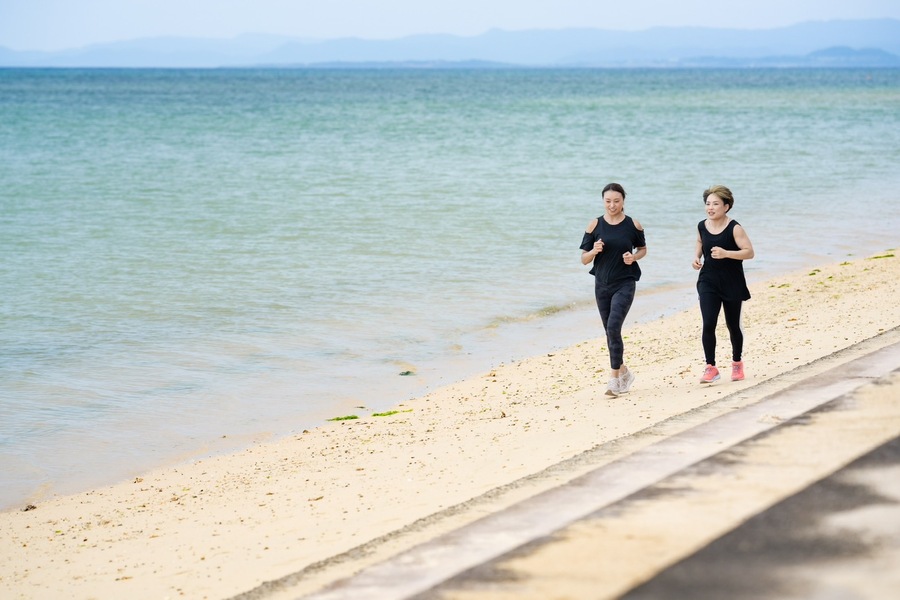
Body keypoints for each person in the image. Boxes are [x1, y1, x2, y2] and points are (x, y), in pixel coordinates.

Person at [580, 182, 647, 397]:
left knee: (614, 327)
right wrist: (594, 250)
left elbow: (643, 249)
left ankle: (614, 380)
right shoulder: (594, 225)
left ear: (623, 201)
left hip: (625, 282)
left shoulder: (633, 225)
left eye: (616, 201)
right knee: (609, 332)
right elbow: (583, 259)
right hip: (601, 284)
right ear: (603, 201)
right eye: (608, 201)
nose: (612, 205)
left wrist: (633, 257)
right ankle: (624, 372)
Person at [692, 184, 755, 383]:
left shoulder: (735, 228)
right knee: (708, 323)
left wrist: (727, 253)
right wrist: (696, 257)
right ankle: (710, 367)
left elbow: (749, 252)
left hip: (732, 282)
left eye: (715, 204)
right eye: (708, 204)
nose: (710, 208)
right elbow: (701, 242)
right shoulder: (702, 225)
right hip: (708, 281)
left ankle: (737, 363)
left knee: (732, 324)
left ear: (726, 207)